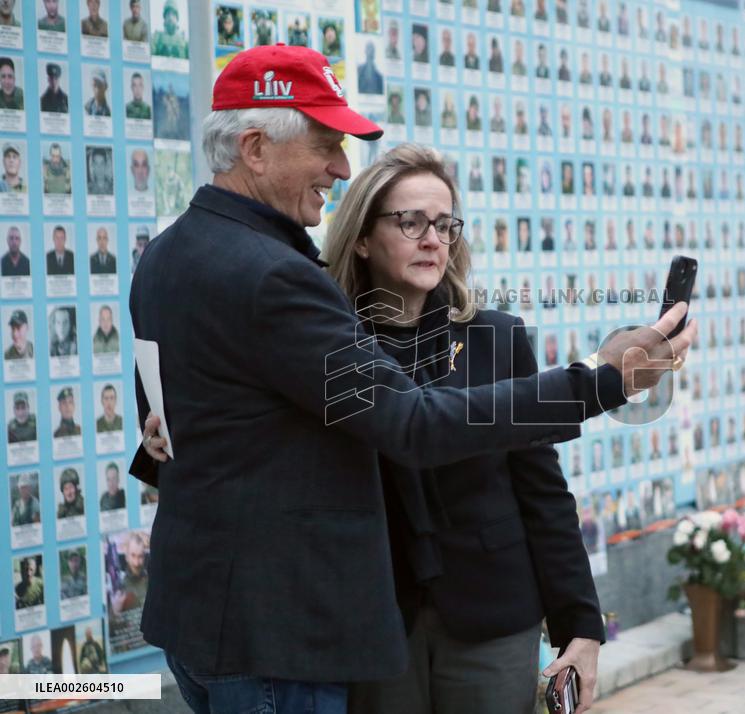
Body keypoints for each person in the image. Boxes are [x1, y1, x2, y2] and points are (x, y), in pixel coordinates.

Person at [131, 44, 692, 713]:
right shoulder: (277, 278)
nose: (340, 168)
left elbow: (185, 426)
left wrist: (578, 623)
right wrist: (602, 379)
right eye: (325, 146)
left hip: (216, 624)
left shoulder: (165, 255)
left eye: (445, 224)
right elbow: (414, 424)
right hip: (278, 636)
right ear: (255, 148)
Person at [323, 146, 605, 713]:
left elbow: (541, 487)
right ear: (360, 237)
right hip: (375, 619)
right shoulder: (325, 344)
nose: (432, 239)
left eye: (445, 224)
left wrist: (581, 623)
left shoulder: (494, 336)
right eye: (410, 222)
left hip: (492, 612)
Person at [111, 532, 146, 613]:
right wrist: (115, 611)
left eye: (140, 556)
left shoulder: (151, 580)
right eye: (133, 555)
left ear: (144, 557)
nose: (136, 563)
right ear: (126, 557)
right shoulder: (119, 586)